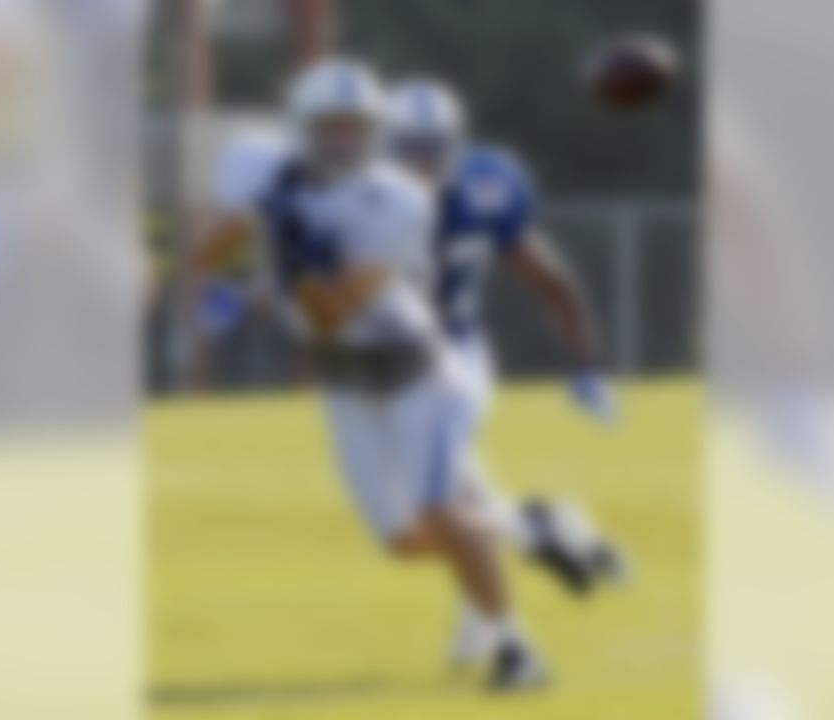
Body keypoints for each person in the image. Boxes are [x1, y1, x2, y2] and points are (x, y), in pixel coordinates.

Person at [192, 58, 547, 691]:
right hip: (344, 383)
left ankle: (518, 652)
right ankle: (525, 525)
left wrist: (293, 266)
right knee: (404, 542)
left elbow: (334, 314)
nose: (344, 140)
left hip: (412, 372)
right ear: (300, 125)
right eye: (330, 126)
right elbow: (213, 244)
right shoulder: (257, 162)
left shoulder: (399, 197)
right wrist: (229, 252)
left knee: (441, 512)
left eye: (357, 127)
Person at [386, 78, 630, 663]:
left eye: (433, 146)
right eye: (410, 146)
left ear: (455, 145)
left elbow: (552, 281)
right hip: (392, 369)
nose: (422, 161)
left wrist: (587, 368)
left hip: (456, 364)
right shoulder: (363, 197)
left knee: (434, 502)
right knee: (450, 503)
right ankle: (551, 533)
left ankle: (502, 607)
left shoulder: (484, 188)